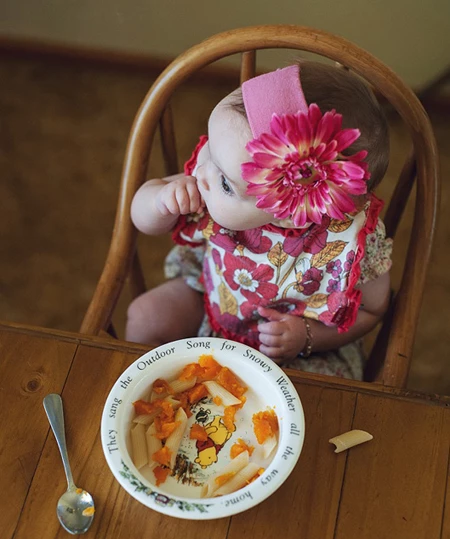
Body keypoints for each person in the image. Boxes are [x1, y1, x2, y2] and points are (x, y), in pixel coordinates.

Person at [126, 60, 393, 380]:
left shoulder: (353, 240)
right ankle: (146, 393)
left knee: (322, 398)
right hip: (213, 303)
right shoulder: (213, 174)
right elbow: (142, 220)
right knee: (145, 315)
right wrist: (159, 202)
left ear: (293, 214)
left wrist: (307, 335)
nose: (202, 173)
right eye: (210, 147)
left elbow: (373, 309)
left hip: (293, 353)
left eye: (225, 183)